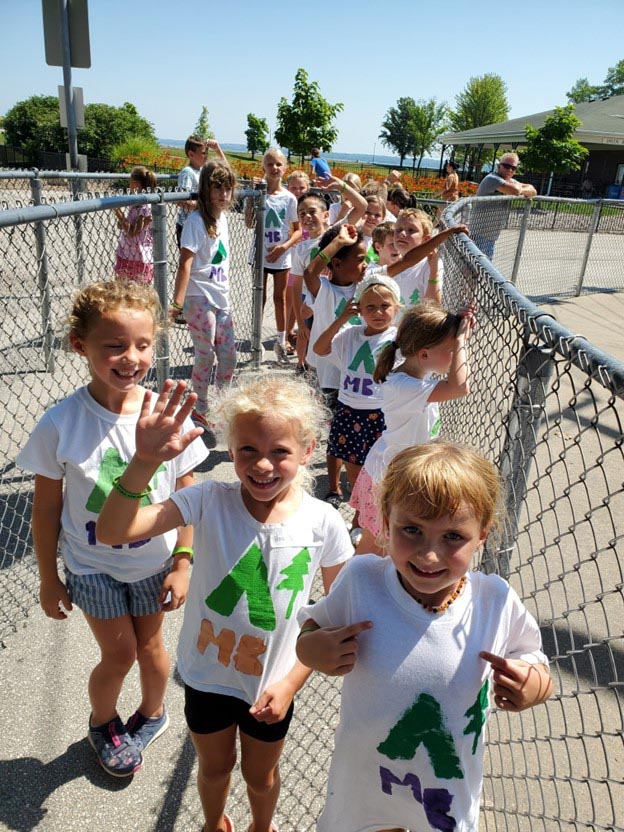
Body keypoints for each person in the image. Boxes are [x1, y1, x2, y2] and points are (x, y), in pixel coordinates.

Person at [96, 375, 353, 832]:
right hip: (207, 677)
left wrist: (293, 681)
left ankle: (260, 826)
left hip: (271, 686)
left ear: (308, 450)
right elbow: (115, 531)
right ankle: (213, 823)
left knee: (260, 776)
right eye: (248, 449)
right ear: (229, 449)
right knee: (214, 769)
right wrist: (144, 461)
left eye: (280, 451)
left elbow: (338, 614)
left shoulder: (324, 522)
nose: (263, 465)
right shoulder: (207, 499)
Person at [296, 441, 553, 832]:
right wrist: (313, 649)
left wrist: (532, 684)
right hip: (362, 782)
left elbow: (534, 659)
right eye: (412, 530)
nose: (429, 555)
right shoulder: (362, 580)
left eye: (453, 537)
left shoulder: (494, 601)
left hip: (445, 789)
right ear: (385, 520)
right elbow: (311, 628)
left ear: (482, 534)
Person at [16, 281, 208, 777]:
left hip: (155, 562)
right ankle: (102, 723)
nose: (131, 357)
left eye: (143, 345)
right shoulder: (61, 423)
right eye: (115, 345)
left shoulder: (164, 413)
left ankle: (153, 713)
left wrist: (184, 561)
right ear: (81, 346)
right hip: (91, 564)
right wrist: (47, 577)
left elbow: (187, 494)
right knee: (119, 653)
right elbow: (46, 509)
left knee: (152, 647)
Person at [350, 302, 474, 555]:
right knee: (375, 546)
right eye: (450, 351)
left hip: (399, 471)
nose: (455, 357)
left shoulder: (418, 376)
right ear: (425, 354)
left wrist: (459, 332)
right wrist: (460, 340)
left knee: (388, 542)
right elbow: (460, 387)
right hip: (389, 477)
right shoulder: (405, 387)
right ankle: (351, 586)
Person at [313, 275, 401, 536]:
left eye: (385, 306)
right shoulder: (349, 334)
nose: (378, 312)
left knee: (381, 471)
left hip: (380, 414)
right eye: (370, 307)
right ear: (359, 309)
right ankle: (362, 516)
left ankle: (378, 518)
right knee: (356, 474)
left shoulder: (399, 340)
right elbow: (319, 348)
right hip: (349, 410)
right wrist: (341, 319)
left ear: (397, 308)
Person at [303, 223, 368, 507]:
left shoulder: (365, 288)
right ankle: (333, 487)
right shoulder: (325, 290)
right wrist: (338, 241)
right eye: (361, 259)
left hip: (356, 373)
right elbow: (310, 271)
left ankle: (356, 482)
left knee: (353, 430)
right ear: (338, 263)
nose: (366, 265)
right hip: (331, 373)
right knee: (336, 432)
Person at [170, 158, 238, 429]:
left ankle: (223, 405)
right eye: (217, 188)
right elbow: (185, 262)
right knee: (206, 353)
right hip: (199, 296)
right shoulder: (196, 222)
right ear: (206, 189)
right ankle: (199, 406)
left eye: (227, 189)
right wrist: (176, 303)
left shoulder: (223, 219)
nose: (223, 195)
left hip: (221, 296)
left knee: (229, 355)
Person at [290, 182, 367, 374]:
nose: (307, 217)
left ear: (326, 215)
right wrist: (299, 320)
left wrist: (341, 186)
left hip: (335, 297)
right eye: (301, 213)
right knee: (312, 342)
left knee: (338, 339)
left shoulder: (337, 233)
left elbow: (362, 206)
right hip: (314, 299)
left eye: (312, 211)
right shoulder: (300, 249)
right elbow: (295, 284)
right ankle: (304, 367)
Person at [244, 148, 301, 362]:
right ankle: (255, 339)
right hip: (260, 253)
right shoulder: (259, 194)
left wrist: (283, 248)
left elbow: (297, 230)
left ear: (285, 168)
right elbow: (249, 223)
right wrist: (251, 198)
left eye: (278, 164)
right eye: (270, 164)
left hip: (281, 255)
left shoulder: (289, 199)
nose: (274, 168)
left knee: (280, 298)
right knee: (260, 296)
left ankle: (281, 340)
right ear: (263, 167)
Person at [472, 153, 537, 259]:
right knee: (477, 269)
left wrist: (520, 189)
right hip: (479, 234)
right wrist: (519, 189)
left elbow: (533, 190)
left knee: (481, 270)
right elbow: (514, 190)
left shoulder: (510, 181)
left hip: (491, 236)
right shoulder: (492, 178)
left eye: (513, 168)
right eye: (506, 166)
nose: (510, 170)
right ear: (499, 166)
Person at [176, 137, 227, 248]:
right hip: (188, 224)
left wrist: (218, 150)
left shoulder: (203, 170)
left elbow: (226, 170)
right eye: (203, 153)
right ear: (191, 154)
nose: (206, 156)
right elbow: (182, 201)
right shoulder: (188, 173)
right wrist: (205, 207)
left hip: (201, 222)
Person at [113, 166, 157, 283]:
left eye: (130, 184)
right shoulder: (135, 205)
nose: (129, 187)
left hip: (138, 256)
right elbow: (124, 225)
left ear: (135, 184)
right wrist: (123, 222)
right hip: (127, 253)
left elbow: (132, 232)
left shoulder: (144, 208)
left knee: (138, 289)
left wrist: (118, 213)